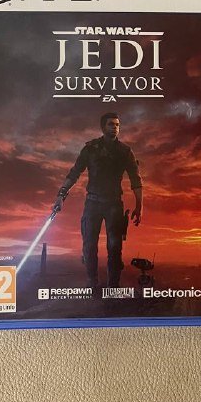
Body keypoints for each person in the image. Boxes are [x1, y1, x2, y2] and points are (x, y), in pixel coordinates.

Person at [52, 112, 143, 288]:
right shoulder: (91, 149)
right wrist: (61, 195)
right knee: (89, 246)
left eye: (117, 125)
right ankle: (92, 283)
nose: (114, 127)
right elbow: (74, 173)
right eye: (111, 124)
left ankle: (113, 288)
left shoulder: (125, 152)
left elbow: (136, 180)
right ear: (103, 127)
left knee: (114, 248)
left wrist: (140, 206)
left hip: (114, 203)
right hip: (93, 202)